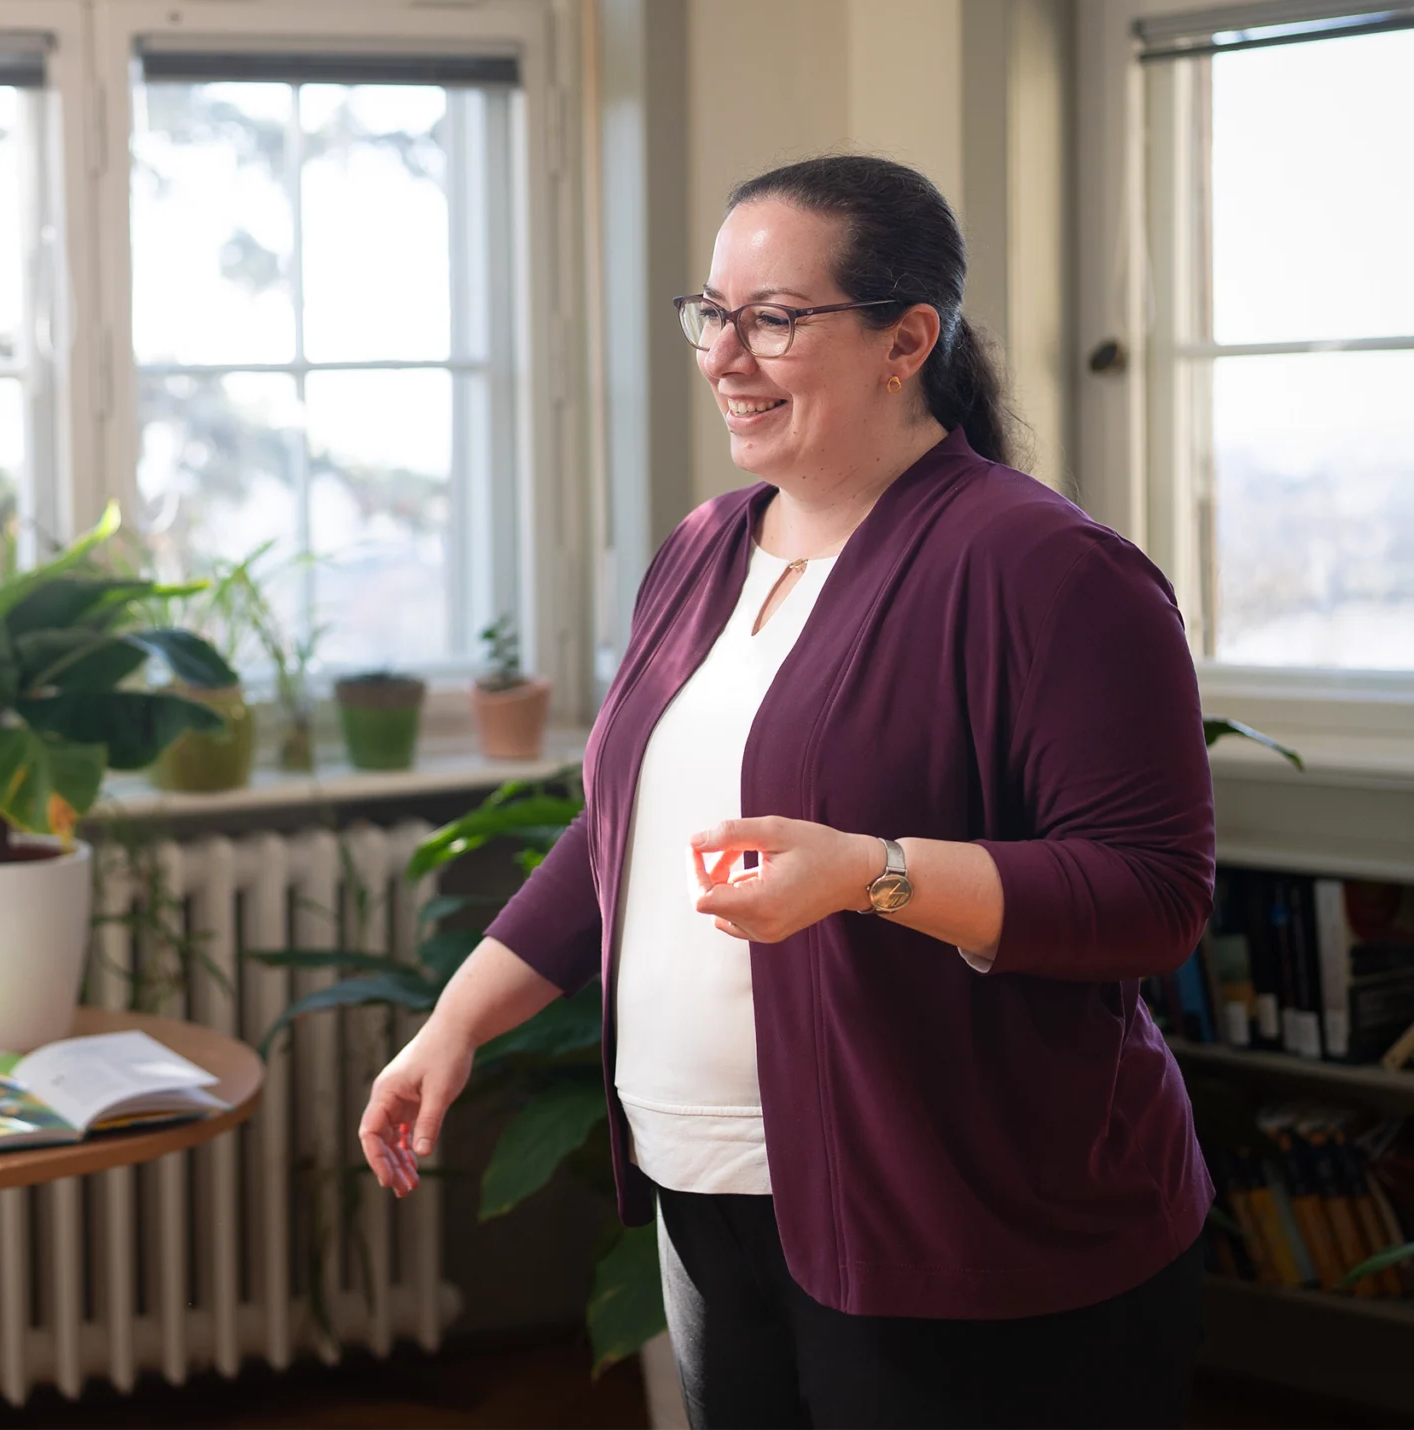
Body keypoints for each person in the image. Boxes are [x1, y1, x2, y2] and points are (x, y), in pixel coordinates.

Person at [359, 155, 1214, 1429]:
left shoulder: (1048, 571)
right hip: (705, 1190)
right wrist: (459, 1019)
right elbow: (624, 824)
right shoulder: (706, 547)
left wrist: (872, 874)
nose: (723, 355)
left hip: (959, 1215)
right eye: (712, 312)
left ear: (905, 340)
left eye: (774, 319)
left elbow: (1152, 894)